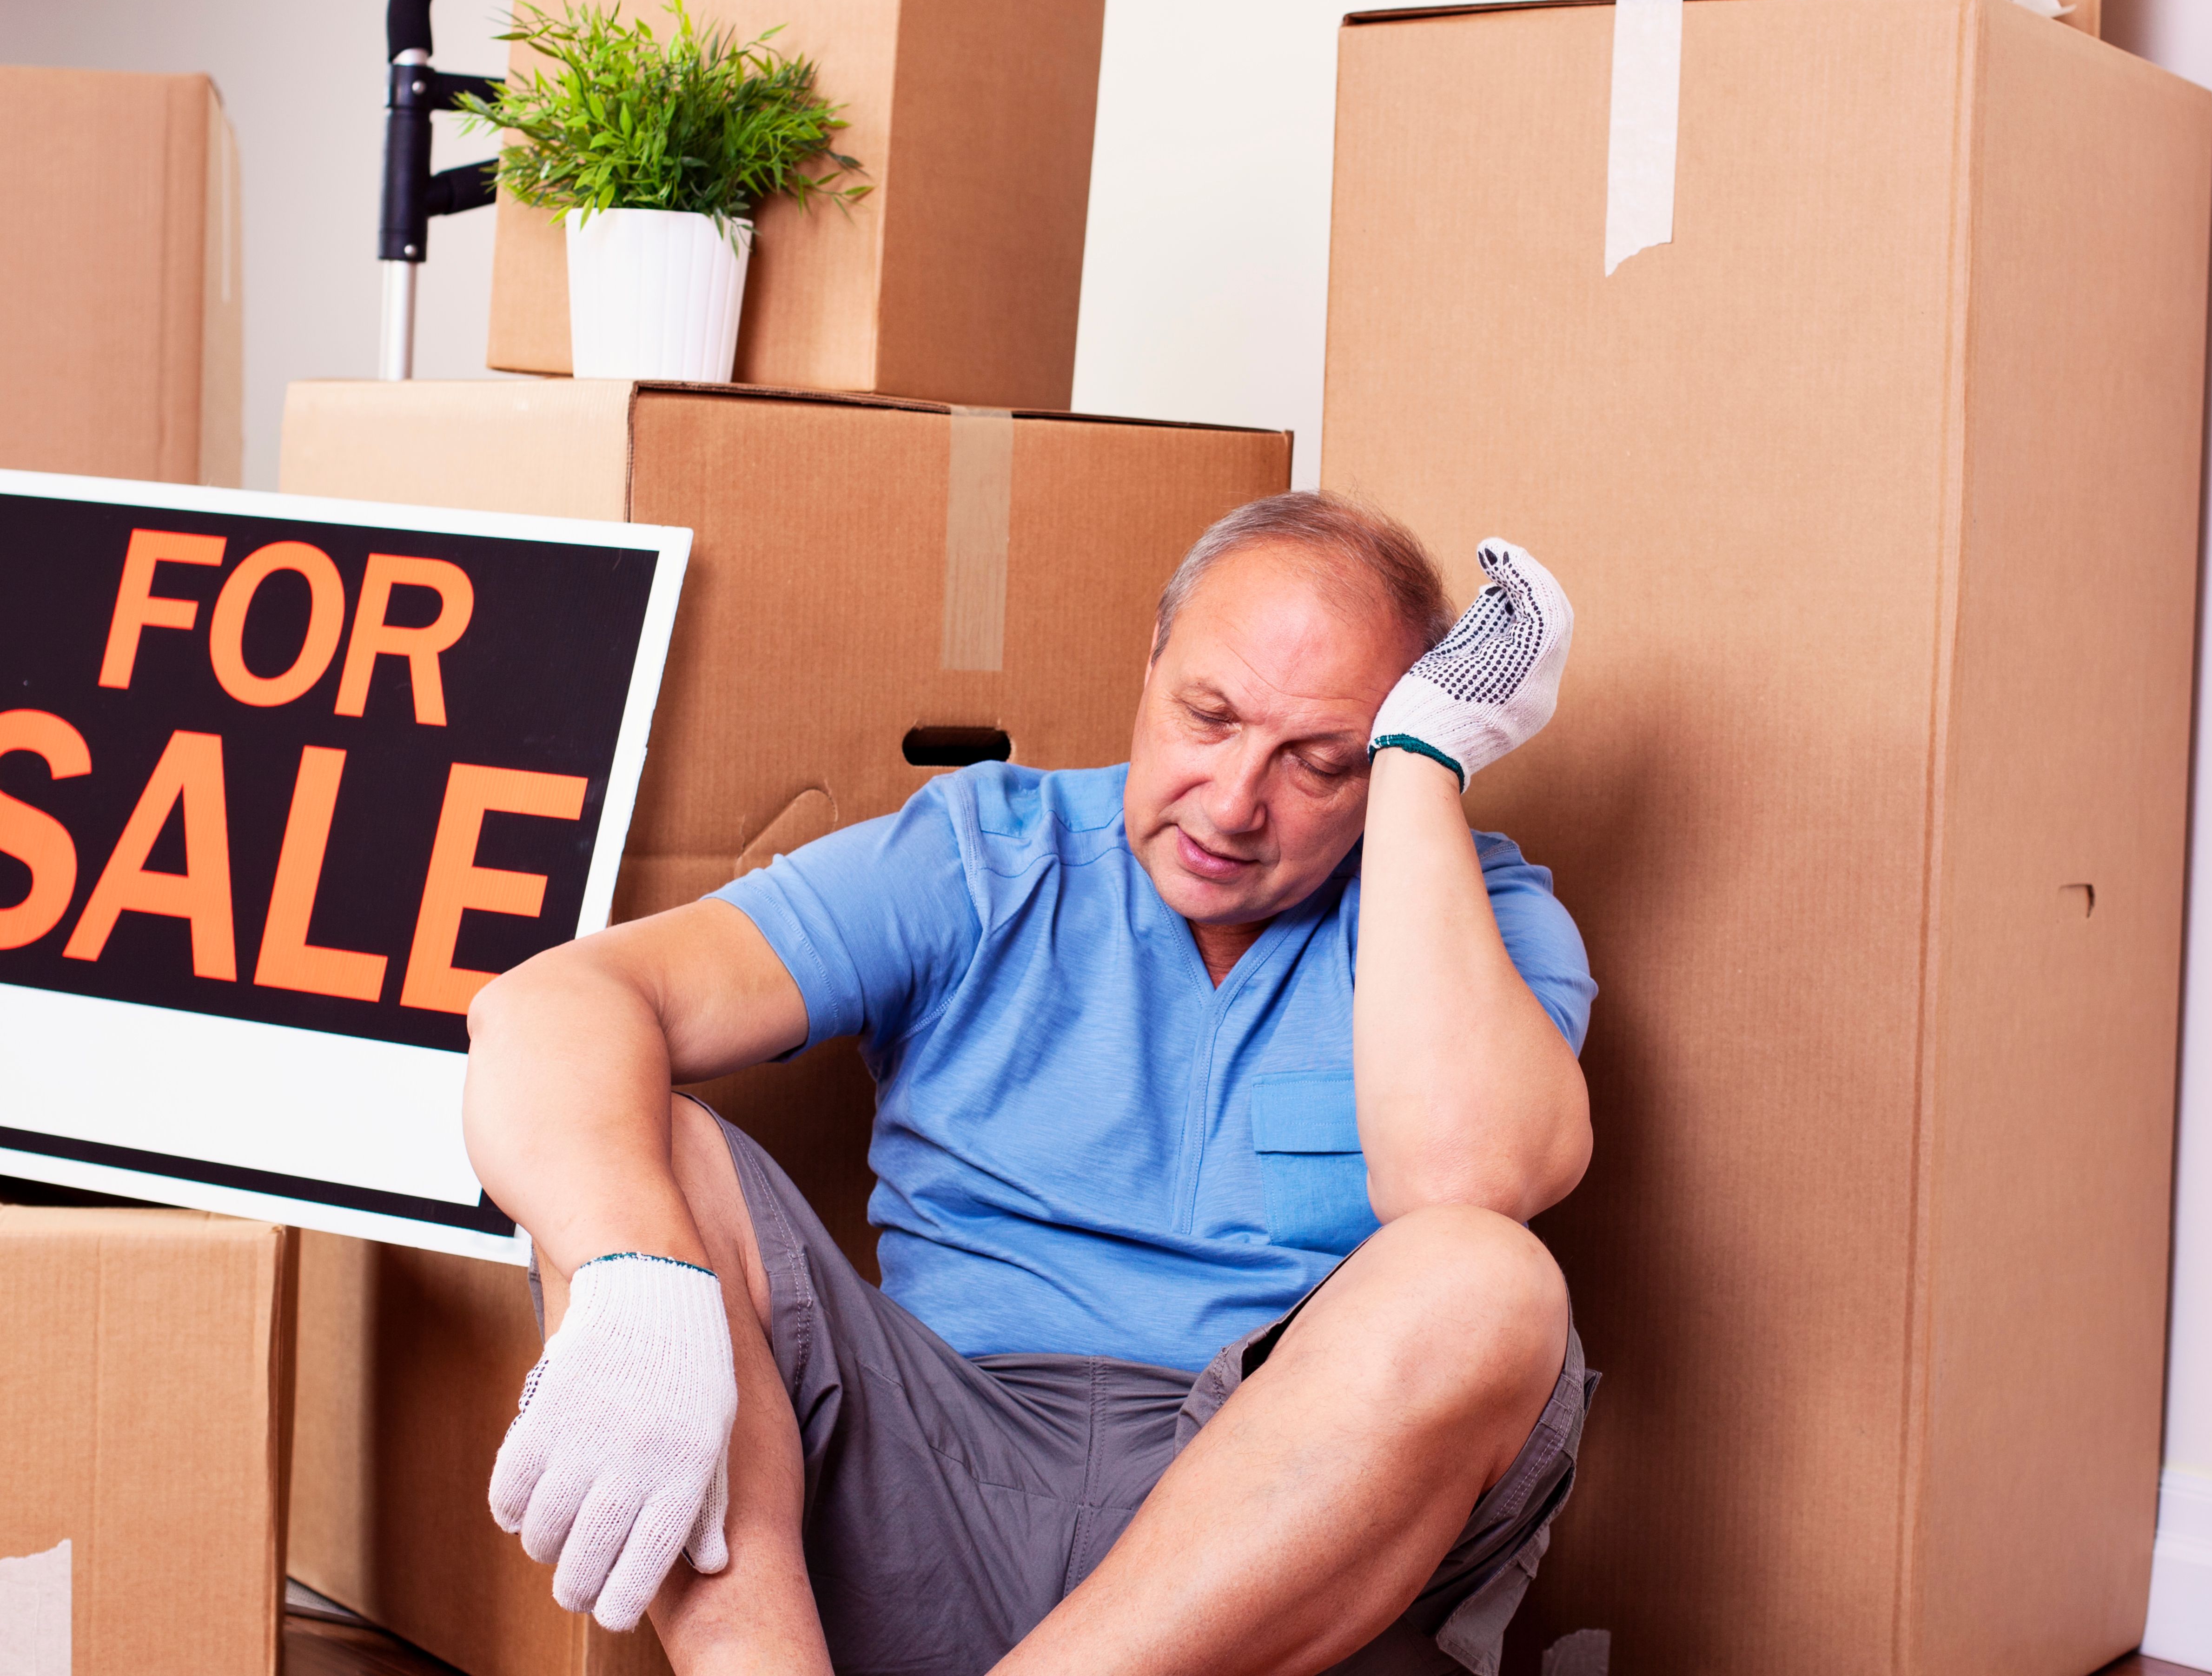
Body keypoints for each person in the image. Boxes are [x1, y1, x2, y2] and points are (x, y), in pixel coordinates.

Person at [462, 491, 1599, 1676]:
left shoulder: (1475, 916)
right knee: (642, 1147)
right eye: (1206, 717)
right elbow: (547, 1005)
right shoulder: (988, 855)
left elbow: (1469, 1179)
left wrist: (1418, 767)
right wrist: (638, 1280)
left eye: (1318, 763)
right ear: (1151, 658)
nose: (1232, 804)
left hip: (1258, 1562)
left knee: (1487, 1277)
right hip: (924, 1495)